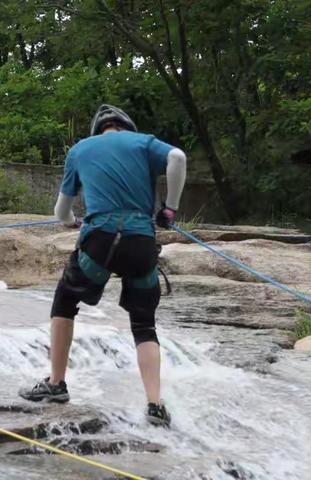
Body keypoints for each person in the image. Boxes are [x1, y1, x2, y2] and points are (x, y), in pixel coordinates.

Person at [19, 105, 187, 427]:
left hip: (99, 242)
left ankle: (56, 384)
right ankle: (154, 405)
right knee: (143, 324)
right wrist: (170, 210)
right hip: (140, 243)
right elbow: (177, 158)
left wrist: (72, 222)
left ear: (99, 129)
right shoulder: (144, 143)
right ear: (127, 126)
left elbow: (61, 213)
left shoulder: (81, 149)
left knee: (65, 302)